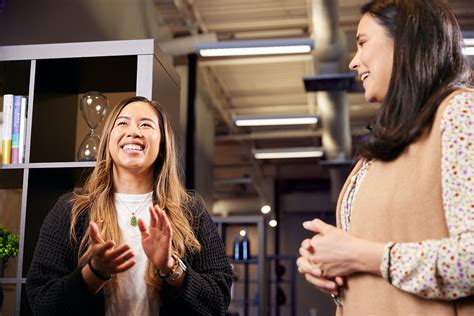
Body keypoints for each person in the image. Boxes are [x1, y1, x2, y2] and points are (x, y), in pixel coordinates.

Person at [297, 0, 473, 315]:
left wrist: (362, 256)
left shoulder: (460, 114)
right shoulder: (383, 148)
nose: (353, 62)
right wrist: (328, 262)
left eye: (363, 43)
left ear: (404, 43)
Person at [26, 96, 234, 315]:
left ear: (163, 145)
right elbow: (42, 300)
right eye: (122, 123)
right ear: (108, 140)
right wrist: (95, 272)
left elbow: (218, 300)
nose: (133, 131)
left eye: (146, 124)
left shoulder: (191, 211)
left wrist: (170, 266)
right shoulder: (71, 209)